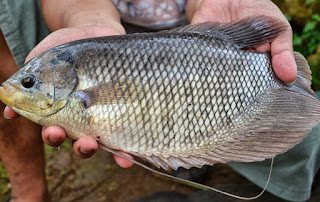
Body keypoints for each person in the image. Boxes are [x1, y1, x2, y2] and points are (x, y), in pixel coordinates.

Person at [1, 0, 318, 201]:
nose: (16, 88)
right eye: (29, 83)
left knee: (302, 130)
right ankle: (28, 193)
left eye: (28, 83)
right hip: (107, 31)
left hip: (200, 31)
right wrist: (86, 17)